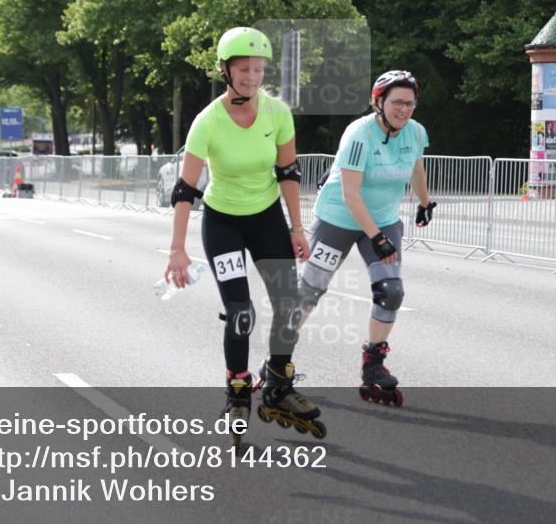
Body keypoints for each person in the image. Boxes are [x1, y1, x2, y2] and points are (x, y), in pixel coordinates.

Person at [163, 27, 324, 445]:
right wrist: (177, 250)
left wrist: (297, 227)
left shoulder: (277, 113)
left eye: (259, 68)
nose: (252, 76)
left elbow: (288, 173)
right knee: (241, 311)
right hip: (223, 223)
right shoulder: (208, 121)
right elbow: (185, 191)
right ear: (226, 70)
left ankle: (278, 386)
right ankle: (237, 388)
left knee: (290, 304)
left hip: (267, 217)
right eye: (244, 68)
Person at [288, 70, 436, 407]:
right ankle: (278, 363)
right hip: (339, 217)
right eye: (397, 102)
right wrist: (377, 238)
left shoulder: (415, 132)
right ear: (378, 102)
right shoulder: (359, 134)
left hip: (383, 218)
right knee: (309, 292)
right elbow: (351, 195)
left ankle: (374, 364)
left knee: (391, 291)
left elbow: (415, 167)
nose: (404, 110)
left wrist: (426, 202)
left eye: (410, 104)